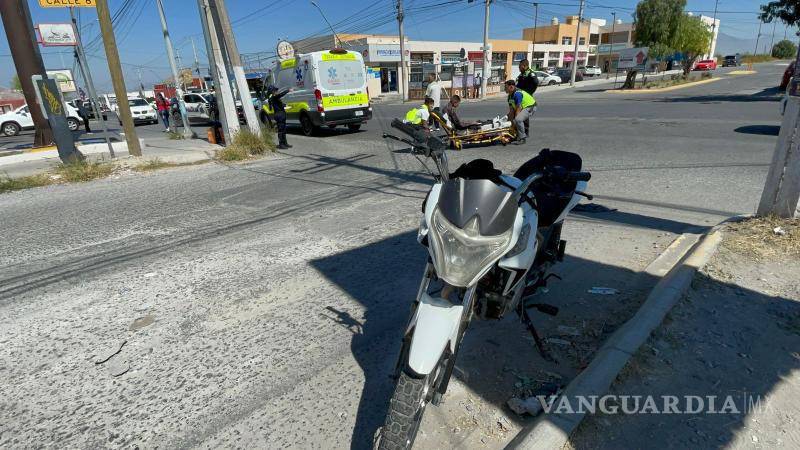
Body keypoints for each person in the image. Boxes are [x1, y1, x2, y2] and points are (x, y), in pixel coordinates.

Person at [504, 80, 536, 145]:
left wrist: (514, 121)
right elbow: (511, 111)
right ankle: (514, 135)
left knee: (518, 120)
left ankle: (522, 138)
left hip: (530, 107)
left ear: (511, 87)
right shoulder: (510, 96)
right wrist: (507, 121)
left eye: (506, 87)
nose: (504, 89)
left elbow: (518, 108)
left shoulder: (517, 94)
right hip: (523, 107)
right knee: (509, 119)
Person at [516, 59, 539, 136]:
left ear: (524, 66)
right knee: (521, 114)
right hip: (520, 96)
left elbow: (535, 83)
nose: (519, 68)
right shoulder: (522, 74)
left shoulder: (531, 73)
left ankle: (525, 132)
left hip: (526, 97)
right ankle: (521, 131)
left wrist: (529, 93)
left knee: (524, 115)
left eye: (520, 67)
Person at [267, 85, 292, 149]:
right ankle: (281, 144)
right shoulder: (274, 97)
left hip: (281, 114)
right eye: (275, 90)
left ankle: (285, 143)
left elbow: (280, 105)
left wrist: (286, 105)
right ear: (272, 91)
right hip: (279, 115)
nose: (276, 91)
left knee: (284, 130)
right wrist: (288, 90)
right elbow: (280, 94)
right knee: (281, 130)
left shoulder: (275, 98)